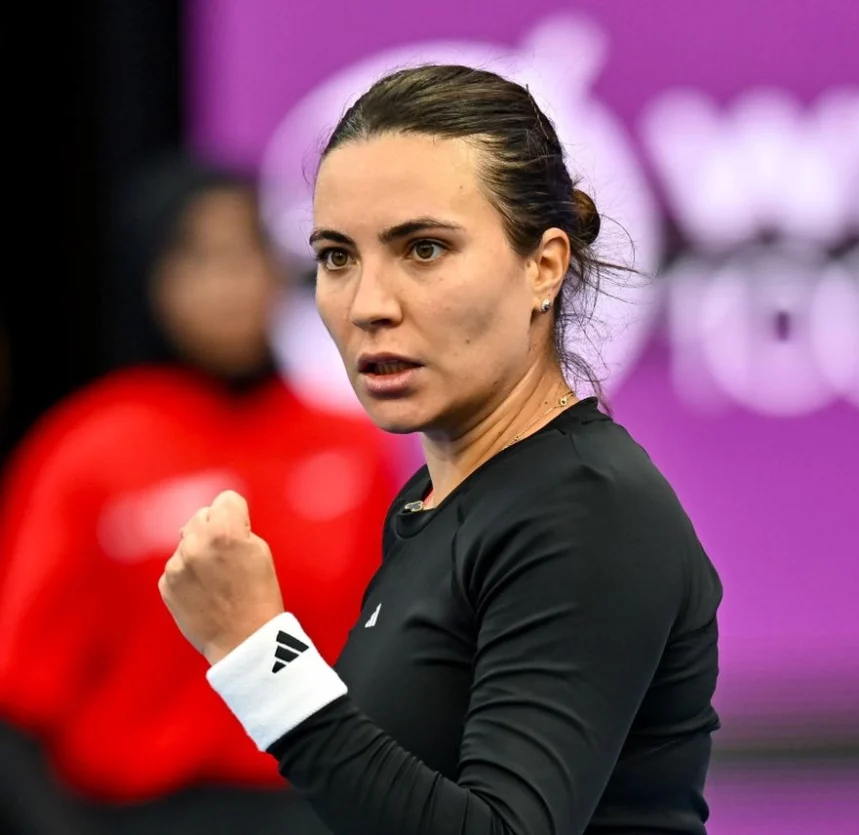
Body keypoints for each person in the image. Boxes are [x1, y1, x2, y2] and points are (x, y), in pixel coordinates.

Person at [159, 65, 723, 835]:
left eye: (423, 249)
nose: (369, 305)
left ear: (543, 266)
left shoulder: (588, 506)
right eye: (337, 256)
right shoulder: (434, 503)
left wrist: (258, 651)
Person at [0, 153, 403, 835]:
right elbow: (19, 696)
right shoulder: (86, 449)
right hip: (142, 813)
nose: (229, 282)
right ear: (149, 277)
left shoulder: (349, 444)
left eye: (247, 252)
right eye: (199, 257)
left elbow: (395, 653)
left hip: (316, 805)